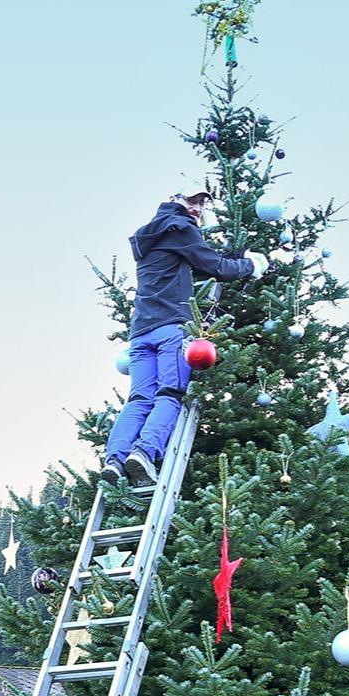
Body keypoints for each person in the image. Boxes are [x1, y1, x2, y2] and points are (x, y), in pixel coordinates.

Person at [102, 186, 266, 486]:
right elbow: (214, 267)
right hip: (171, 329)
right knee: (169, 394)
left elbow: (196, 260)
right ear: (173, 201)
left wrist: (235, 255)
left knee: (139, 399)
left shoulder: (149, 234)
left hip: (140, 334)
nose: (198, 208)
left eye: (202, 203)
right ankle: (144, 452)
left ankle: (114, 459)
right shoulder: (181, 227)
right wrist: (251, 265)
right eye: (192, 201)